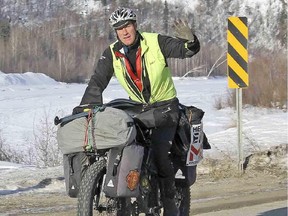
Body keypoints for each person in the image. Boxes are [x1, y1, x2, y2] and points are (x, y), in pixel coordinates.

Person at [73, 7, 200, 216]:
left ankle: (170, 204)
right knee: (122, 141)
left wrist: (191, 42)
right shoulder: (112, 53)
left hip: (166, 107)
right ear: (115, 32)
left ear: (135, 25)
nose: (124, 31)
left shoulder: (154, 42)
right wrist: (87, 105)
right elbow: (98, 80)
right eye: (119, 28)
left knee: (160, 155)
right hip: (139, 109)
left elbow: (184, 50)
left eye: (127, 26)